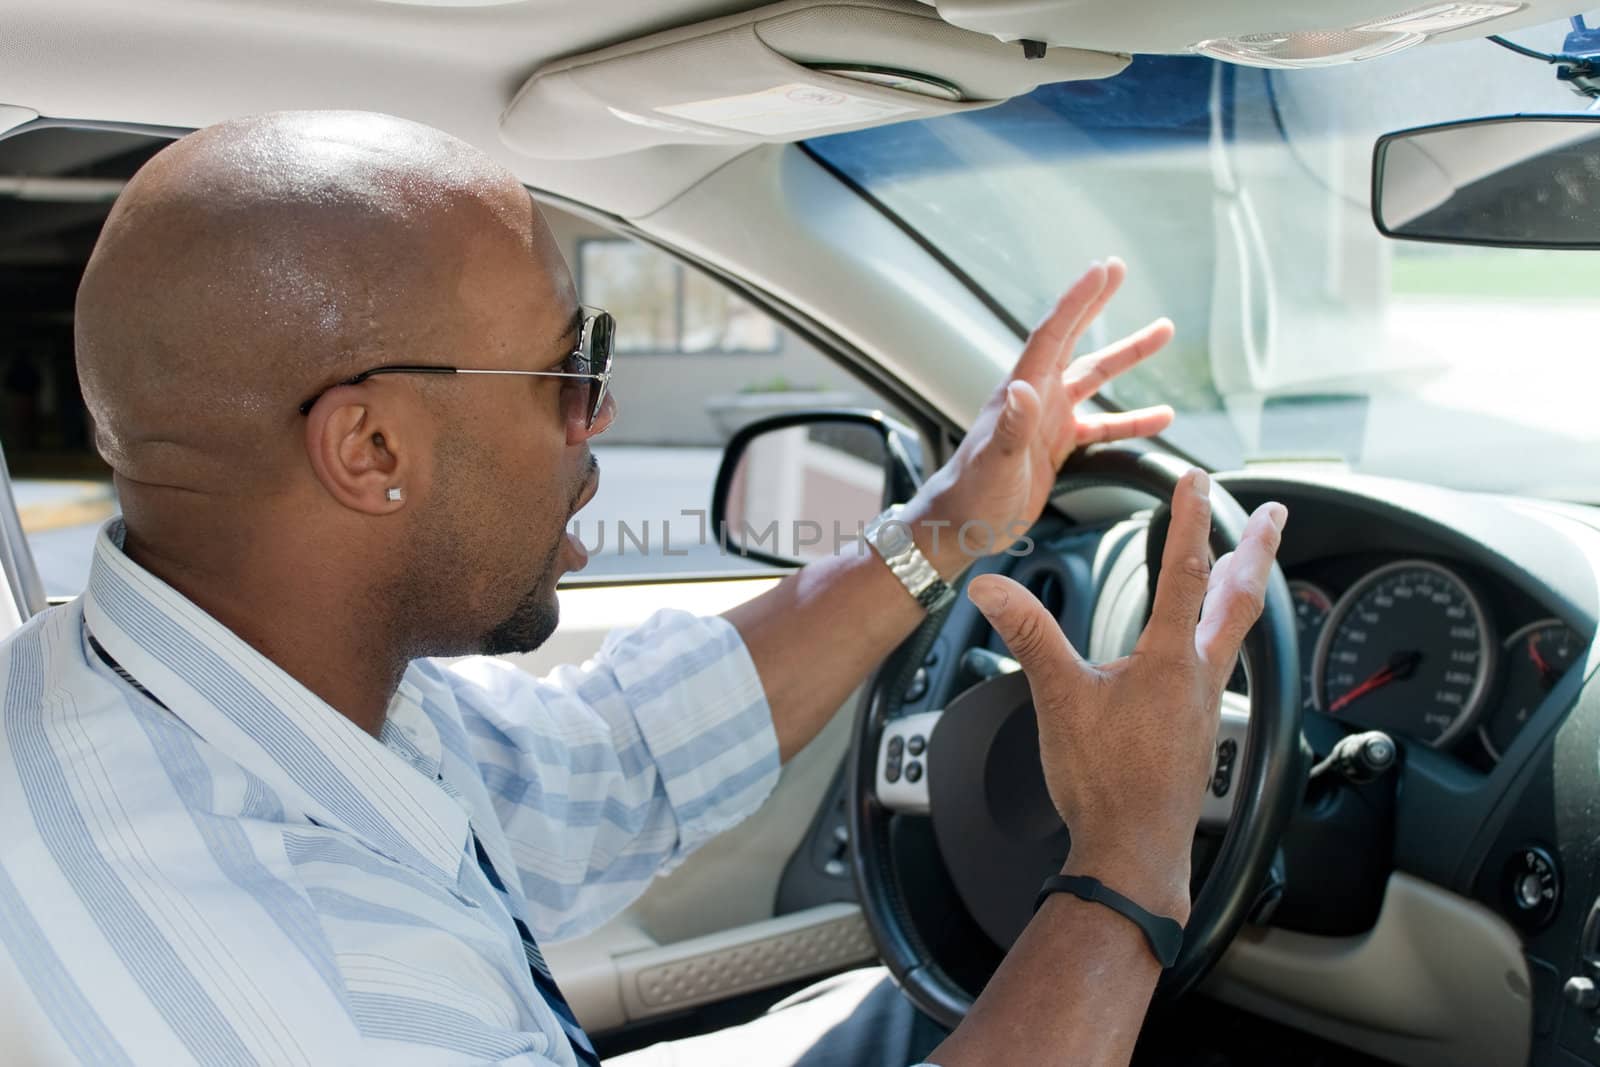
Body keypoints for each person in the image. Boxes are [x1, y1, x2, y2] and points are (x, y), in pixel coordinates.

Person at [0, 110, 1286, 1066]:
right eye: (568, 369)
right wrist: (1127, 855)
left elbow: (615, 760)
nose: (598, 413)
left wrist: (947, 526)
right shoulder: (320, 989)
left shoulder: (205, 682)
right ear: (370, 448)